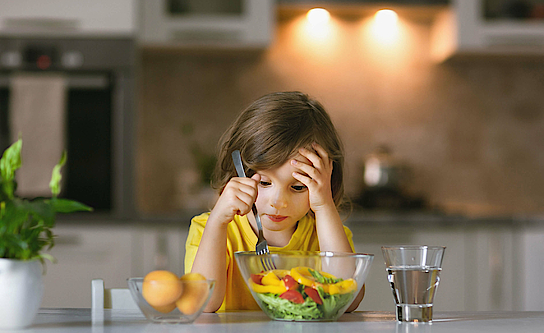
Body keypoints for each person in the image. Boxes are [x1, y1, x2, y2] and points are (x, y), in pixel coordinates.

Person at [184, 91, 364, 312]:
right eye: (264, 183)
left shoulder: (326, 234)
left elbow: (347, 301)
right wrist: (217, 223)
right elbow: (202, 304)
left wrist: (324, 207)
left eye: (297, 187)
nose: (278, 202)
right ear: (238, 175)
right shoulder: (210, 229)